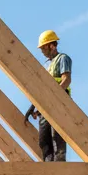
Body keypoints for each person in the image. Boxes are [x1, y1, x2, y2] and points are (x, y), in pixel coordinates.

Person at [24, 29, 72, 162]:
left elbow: (66, 80)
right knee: (44, 141)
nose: (42, 52)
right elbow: (43, 89)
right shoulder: (46, 65)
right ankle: (49, 167)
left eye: (43, 48)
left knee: (57, 138)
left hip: (59, 104)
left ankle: (59, 168)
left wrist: (55, 96)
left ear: (52, 45)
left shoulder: (62, 58)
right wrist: (36, 108)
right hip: (45, 107)